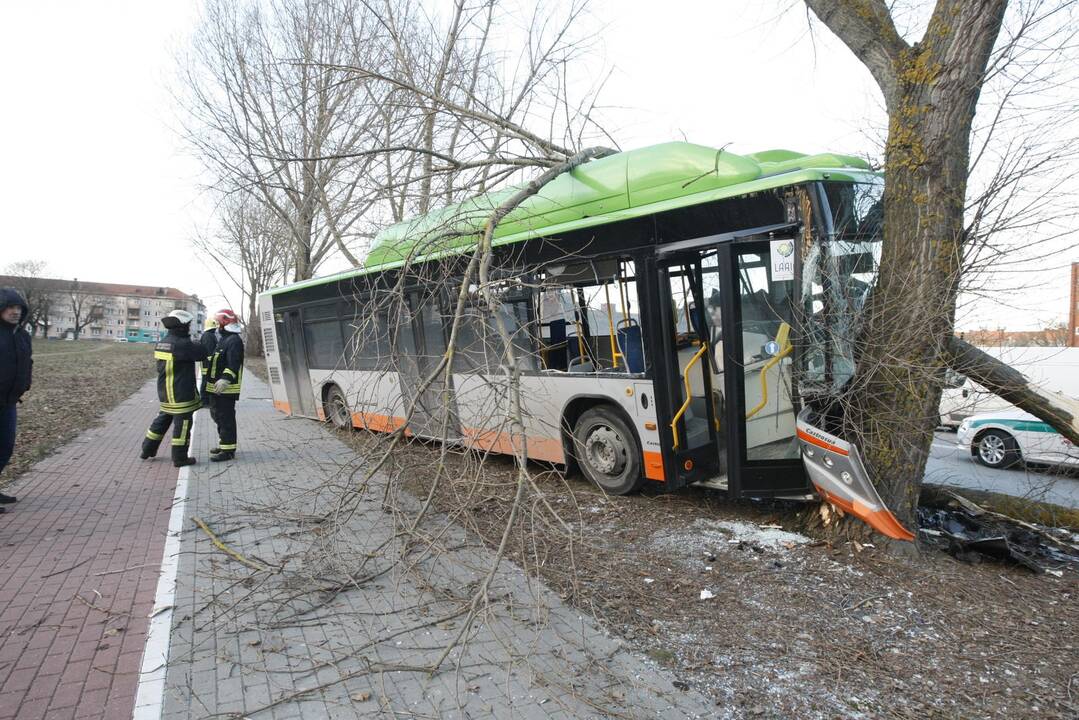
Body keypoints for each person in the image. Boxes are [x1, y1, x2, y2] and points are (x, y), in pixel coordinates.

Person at [140, 309, 208, 467]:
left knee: (162, 420)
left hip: (165, 391)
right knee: (183, 426)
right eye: (188, 325)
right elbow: (202, 353)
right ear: (182, 326)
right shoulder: (182, 344)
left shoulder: (163, 342)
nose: (190, 328)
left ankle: (147, 449)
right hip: (180, 392)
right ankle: (180, 458)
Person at [0, 288, 32, 511]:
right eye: (10, 307)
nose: (15, 312)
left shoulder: (22, 335)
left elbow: (26, 362)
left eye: (19, 308)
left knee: (5, 448)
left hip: (9, 401)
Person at [205, 309, 244, 462]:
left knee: (225, 418)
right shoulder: (225, 339)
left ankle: (228, 451)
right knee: (219, 417)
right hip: (217, 388)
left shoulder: (234, 340)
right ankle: (224, 444)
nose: (217, 325)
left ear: (226, 321)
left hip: (226, 389)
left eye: (219, 321)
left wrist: (225, 379)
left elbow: (233, 363)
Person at [199, 316, 218, 410]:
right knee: (205, 382)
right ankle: (204, 401)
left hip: (207, 363)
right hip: (208, 364)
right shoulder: (209, 336)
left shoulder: (208, 335)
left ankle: (206, 400)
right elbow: (210, 352)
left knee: (206, 382)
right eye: (215, 328)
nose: (216, 329)